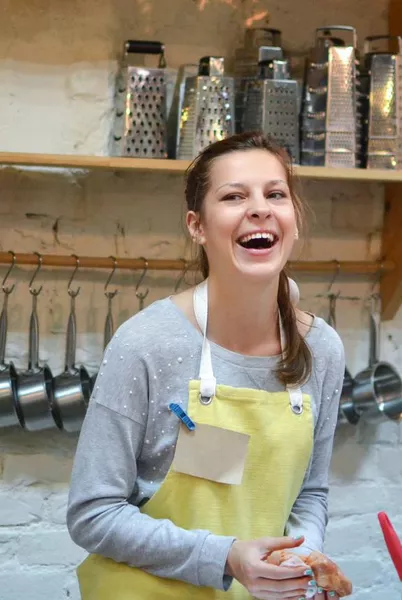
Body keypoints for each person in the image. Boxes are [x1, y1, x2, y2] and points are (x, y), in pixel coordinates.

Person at [67, 132, 349, 600]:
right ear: (197, 226)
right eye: (234, 196)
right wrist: (226, 557)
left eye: (275, 194)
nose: (259, 208)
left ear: (294, 219)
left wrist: (301, 559)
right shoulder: (146, 343)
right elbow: (93, 513)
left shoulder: (321, 349)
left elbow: (310, 495)